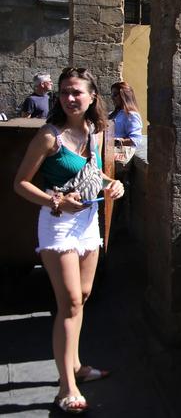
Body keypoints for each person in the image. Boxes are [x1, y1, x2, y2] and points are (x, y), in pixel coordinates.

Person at [13, 67, 124, 414]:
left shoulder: (93, 131)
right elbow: (21, 183)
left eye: (77, 92)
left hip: (88, 223)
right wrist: (55, 200)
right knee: (71, 302)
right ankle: (67, 386)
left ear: (92, 97)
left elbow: (90, 174)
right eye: (64, 92)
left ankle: (76, 365)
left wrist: (111, 184)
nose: (70, 98)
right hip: (59, 226)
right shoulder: (50, 136)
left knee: (84, 296)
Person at [109, 81, 142, 148]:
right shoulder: (113, 114)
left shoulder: (131, 115)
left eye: (115, 95)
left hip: (120, 154)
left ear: (124, 95)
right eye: (111, 95)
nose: (112, 98)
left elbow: (136, 140)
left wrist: (116, 141)